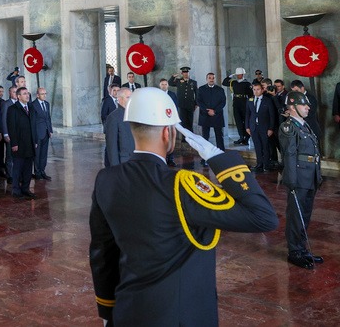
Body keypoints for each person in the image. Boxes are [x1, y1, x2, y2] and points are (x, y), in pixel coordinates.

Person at [89, 87, 278, 326]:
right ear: (168, 133)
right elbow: (263, 217)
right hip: (180, 315)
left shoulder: (106, 179)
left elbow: (102, 253)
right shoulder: (183, 185)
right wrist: (221, 159)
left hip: (130, 309)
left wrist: (108, 311)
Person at [279, 91, 323, 269]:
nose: (308, 107)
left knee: (305, 214)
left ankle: (302, 248)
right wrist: (291, 181)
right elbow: (289, 155)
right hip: (299, 178)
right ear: (292, 107)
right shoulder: (288, 127)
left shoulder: (304, 125)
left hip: (309, 176)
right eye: (304, 105)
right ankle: (294, 251)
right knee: (296, 215)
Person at [6, 87, 35, 199]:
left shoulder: (31, 108)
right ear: (18, 96)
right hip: (19, 144)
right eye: (24, 94)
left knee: (28, 168)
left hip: (30, 143)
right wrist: (14, 143)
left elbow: (33, 125)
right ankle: (16, 190)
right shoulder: (12, 109)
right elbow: (11, 127)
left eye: (27, 93)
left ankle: (25, 188)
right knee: (18, 168)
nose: (27, 95)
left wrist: (35, 141)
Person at [196, 72, 226, 165]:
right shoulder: (201, 89)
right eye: (209, 78)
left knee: (219, 137)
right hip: (205, 116)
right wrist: (207, 110)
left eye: (213, 78)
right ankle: (204, 158)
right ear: (207, 79)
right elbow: (198, 101)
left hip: (217, 116)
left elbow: (223, 102)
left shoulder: (220, 89)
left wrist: (214, 111)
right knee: (205, 137)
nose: (211, 79)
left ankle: (221, 157)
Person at [246, 81, 276, 172]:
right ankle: (259, 164)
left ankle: (266, 165)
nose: (256, 91)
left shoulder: (267, 100)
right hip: (253, 127)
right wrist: (247, 127)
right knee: (257, 146)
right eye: (254, 89)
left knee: (265, 146)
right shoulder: (250, 100)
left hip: (264, 127)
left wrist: (271, 128)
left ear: (262, 90)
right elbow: (247, 114)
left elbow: (272, 115)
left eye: (258, 89)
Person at [222, 67, 253, 145]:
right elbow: (224, 83)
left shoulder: (247, 84)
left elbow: (251, 95)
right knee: (238, 121)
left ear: (243, 74)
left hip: (244, 103)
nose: (238, 76)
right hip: (236, 103)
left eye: (240, 74)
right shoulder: (234, 82)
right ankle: (241, 137)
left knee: (246, 121)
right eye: (237, 75)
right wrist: (230, 76)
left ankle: (246, 138)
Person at [104, 88, 134, 166]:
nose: (131, 100)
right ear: (120, 99)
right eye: (128, 97)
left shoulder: (134, 114)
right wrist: (115, 168)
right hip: (123, 162)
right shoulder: (113, 117)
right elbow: (112, 146)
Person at [31, 87, 53, 181]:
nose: (44, 95)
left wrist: (50, 130)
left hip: (46, 132)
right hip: (38, 133)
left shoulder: (47, 104)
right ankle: (37, 172)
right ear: (37, 95)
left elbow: (48, 118)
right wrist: (34, 137)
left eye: (45, 93)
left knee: (44, 154)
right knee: (37, 154)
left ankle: (42, 171)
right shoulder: (33, 105)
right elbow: (33, 122)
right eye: (42, 94)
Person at [169, 67, 198, 132]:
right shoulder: (178, 81)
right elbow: (170, 83)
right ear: (182, 73)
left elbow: (197, 93)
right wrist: (173, 77)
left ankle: (190, 136)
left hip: (190, 105)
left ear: (188, 73)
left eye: (187, 73)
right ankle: (184, 138)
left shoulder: (193, 82)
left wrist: (196, 103)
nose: (185, 74)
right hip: (182, 105)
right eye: (184, 73)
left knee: (190, 121)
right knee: (183, 122)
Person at [159, 79, 178, 166]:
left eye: (165, 84)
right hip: (160, 121)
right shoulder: (157, 95)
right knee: (161, 140)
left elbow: (175, 107)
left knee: (170, 139)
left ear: (168, 85)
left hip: (170, 121)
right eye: (162, 84)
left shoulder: (172, 95)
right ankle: (162, 158)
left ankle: (170, 158)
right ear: (160, 85)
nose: (164, 86)